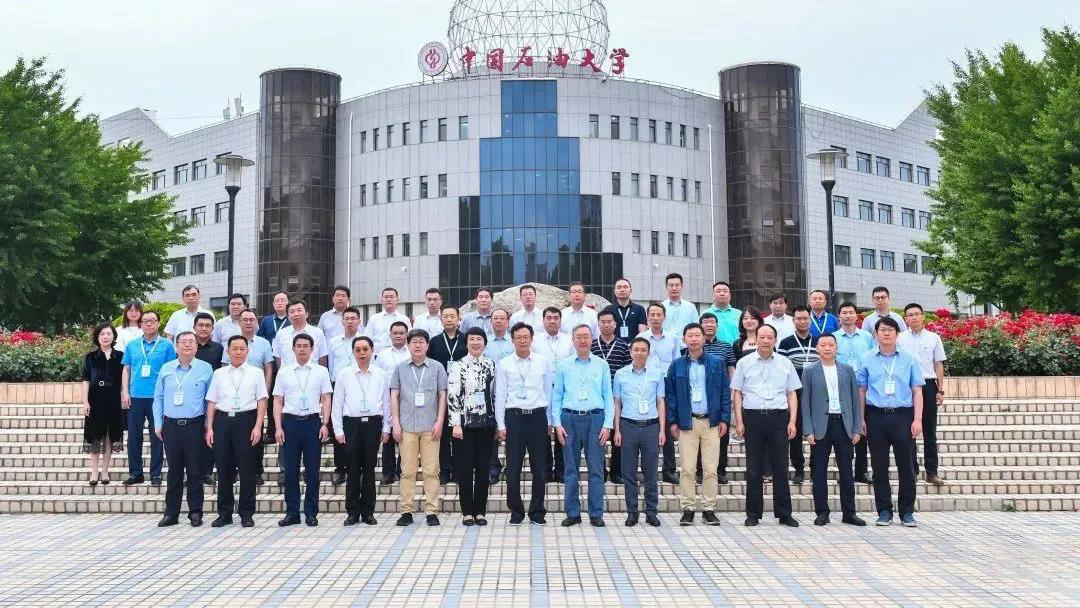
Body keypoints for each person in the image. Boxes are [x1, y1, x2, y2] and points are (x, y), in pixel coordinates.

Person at [731, 324, 802, 528]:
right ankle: (753, 513)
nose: (765, 341)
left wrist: (792, 421)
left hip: (778, 418)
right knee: (753, 468)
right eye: (762, 337)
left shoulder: (785, 363)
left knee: (780, 467)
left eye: (769, 337)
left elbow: (792, 393)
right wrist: (739, 421)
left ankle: (784, 513)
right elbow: (737, 393)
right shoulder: (744, 362)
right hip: (753, 417)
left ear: (775, 340)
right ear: (756, 339)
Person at [858, 316, 924, 527]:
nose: (886, 333)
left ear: (897, 334)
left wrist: (917, 419)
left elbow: (917, 391)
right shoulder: (867, 358)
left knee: (907, 467)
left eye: (890, 330)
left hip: (903, 416)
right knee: (879, 467)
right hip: (875, 416)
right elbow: (862, 390)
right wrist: (861, 418)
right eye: (882, 330)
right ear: (875, 334)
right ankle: (884, 511)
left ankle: (907, 512)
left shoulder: (909, 359)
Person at [666, 323, 731, 526]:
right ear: (684, 339)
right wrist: (673, 421)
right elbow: (671, 395)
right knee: (687, 469)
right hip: (687, 422)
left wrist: (724, 418)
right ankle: (688, 508)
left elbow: (725, 392)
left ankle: (709, 509)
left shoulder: (717, 363)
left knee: (711, 469)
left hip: (711, 422)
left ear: (704, 339)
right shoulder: (676, 365)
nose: (693, 339)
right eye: (690, 336)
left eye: (697, 335)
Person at [801, 334, 865, 526]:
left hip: (843, 424)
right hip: (821, 425)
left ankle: (849, 513)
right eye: (823, 345)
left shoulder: (847, 370)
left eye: (831, 344)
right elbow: (805, 402)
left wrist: (856, 428)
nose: (827, 348)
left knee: (846, 471)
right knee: (819, 471)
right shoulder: (809, 371)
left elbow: (855, 400)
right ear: (817, 348)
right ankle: (822, 512)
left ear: (836, 347)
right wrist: (808, 430)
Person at [553, 325, 614, 527]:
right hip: (569, 419)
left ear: (591, 339)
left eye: (586, 336)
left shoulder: (602, 364)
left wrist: (607, 425)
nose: (582, 340)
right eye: (578, 336)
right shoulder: (564, 365)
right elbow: (557, 395)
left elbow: (608, 395)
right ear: (573, 340)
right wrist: (557, 424)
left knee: (596, 468)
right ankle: (573, 513)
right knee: (570, 469)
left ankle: (596, 513)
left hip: (595, 419)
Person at [205, 335, 268, 528]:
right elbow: (212, 401)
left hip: (246, 421)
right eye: (235, 348)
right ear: (228, 351)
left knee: (247, 470)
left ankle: (246, 513)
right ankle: (224, 514)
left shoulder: (256, 373)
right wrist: (209, 427)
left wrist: (258, 426)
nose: (238, 352)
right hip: (222, 421)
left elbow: (262, 401)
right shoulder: (219, 373)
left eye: (242, 349)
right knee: (224, 469)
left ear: (247, 351)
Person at [495, 322, 554, 526]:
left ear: (531, 339)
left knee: (539, 468)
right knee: (513, 468)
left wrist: (549, 419)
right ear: (512, 340)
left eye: (525, 337)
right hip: (514, 418)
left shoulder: (542, 362)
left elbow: (548, 392)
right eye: (518, 337)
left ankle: (537, 511)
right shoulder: (504, 364)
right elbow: (500, 395)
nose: (522, 340)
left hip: (537, 417)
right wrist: (500, 424)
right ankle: (516, 511)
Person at [153, 331, 213, 527]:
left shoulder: (205, 369)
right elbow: (158, 398)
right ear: (176, 346)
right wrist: (158, 423)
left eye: (191, 342)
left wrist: (208, 425)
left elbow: (210, 400)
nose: (187, 345)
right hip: (170, 425)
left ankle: (195, 512)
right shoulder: (166, 368)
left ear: (196, 346)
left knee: (195, 470)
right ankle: (171, 513)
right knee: (174, 470)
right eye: (183, 342)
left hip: (195, 425)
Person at [273, 333, 333, 527]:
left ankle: (311, 512)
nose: (302, 349)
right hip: (290, 423)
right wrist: (278, 427)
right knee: (290, 471)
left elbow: (326, 398)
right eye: (298, 346)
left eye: (306, 346)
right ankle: (292, 513)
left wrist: (325, 423)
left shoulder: (321, 371)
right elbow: (278, 400)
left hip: (312, 423)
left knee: (312, 470)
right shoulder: (284, 372)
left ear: (312, 349)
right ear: (293, 349)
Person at [389, 329, 448, 527]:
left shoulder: (437, 367)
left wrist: (440, 421)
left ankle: (432, 511)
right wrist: (395, 423)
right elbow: (394, 396)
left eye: (421, 341)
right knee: (407, 471)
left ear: (427, 345)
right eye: (414, 342)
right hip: (407, 426)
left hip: (431, 427)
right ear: (408, 345)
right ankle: (406, 511)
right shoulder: (400, 368)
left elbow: (442, 395)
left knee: (432, 471)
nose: (417, 345)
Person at [333, 336, 391, 527]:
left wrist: (386, 427)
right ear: (353, 352)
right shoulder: (344, 374)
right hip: (351, 425)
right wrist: (338, 429)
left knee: (369, 469)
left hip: (373, 424)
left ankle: (368, 512)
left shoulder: (380, 374)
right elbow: (337, 403)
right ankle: (352, 512)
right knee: (352, 469)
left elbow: (386, 403)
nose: (362, 353)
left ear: (372, 351)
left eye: (365, 349)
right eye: (358, 350)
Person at [613, 337, 666, 527]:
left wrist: (662, 429)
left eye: (643, 350)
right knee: (629, 473)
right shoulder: (620, 374)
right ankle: (632, 512)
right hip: (628, 426)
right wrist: (617, 430)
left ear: (648, 353)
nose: (639, 353)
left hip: (651, 426)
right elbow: (617, 403)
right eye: (636, 349)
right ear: (630, 351)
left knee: (650, 473)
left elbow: (660, 402)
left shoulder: (657, 374)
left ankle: (651, 512)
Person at [447, 328, 497, 526]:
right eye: (472, 339)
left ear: (485, 342)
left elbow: (494, 395)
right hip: (464, 426)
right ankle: (467, 511)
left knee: (483, 469)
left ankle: (480, 511)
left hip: (486, 424)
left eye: (479, 339)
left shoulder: (491, 364)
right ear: (466, 343)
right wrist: (455, 424)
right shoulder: (458, 366)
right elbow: (453, 396)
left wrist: (496, 422)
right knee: (465, 469)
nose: (476, 342)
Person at [120, 310, 176, 486]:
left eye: (153, 321)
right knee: (133, 438)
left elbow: (171, 371)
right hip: (135, 397)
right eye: (146, 321)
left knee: (157, 436)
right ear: (141, 324)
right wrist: (125, 392)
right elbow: (126, 369)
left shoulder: (167, 345)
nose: (149, 324)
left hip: (157, 398)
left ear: (158, 323)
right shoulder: (132, 344)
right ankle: (136, 473)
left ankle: (155, 474)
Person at [899, 303, 947, 486]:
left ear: (923, 316)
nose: (913, 317)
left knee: (929, 431)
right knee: (908, 430)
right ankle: (912, 470)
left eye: (917, 314)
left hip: (928, 385)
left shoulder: (933, 338)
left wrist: (940, 390)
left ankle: (932, 472)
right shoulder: (900, 338)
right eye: (910, 315)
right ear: (905, 318)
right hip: (906, 386)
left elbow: (938, 364)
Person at [228, 309, 275, 486]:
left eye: (251, 320)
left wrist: (265, 392)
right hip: (235, 397)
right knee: (233, 437)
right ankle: (234, 470)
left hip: (256, 396)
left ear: (256, 323)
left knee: (256, 434)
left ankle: (256, 471)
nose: (248, 323)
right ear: (239, 322)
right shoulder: (231, 342)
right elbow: (225, 368)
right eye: (245, 319)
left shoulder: (263, 343)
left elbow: (268, 369)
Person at [690, 312, 736, 485]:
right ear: (700, 326)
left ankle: (720, 470)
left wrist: (732, 391)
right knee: (699, 436)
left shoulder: (726, 347)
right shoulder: (692, 348)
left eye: (712, 322)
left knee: (721, 435)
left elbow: (731, 369)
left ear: (717, 325)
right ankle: (700, 471)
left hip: (719, 395)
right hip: (699, 399)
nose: (709, 325)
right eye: (705, 322)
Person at [776, 305, 820, 485]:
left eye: (805, 318)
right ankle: (799, 469)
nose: (802, 322)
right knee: (795, 432)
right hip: (795, 394)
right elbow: (781, 371)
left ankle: (816, 469)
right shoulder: (785, 343)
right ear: (793, 320)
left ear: (810, 320)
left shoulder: (819, 341)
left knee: (818, 432)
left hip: (816, 394)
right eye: (798, 318)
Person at [834, 301, 876, 484]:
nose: (848, 316)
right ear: (839, 316)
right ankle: (845, 472)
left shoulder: (866, 337)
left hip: (863, 389)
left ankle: (861, 471)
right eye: (844, 312)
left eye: (851, 312)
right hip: (840, 389)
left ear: (856, 315)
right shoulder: (834, 337)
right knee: (843, 431)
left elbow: (874, 359)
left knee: (862, 430)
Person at [428, 306, 468, 485]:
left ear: (459, 319)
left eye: (453, 316)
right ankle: (444, 470)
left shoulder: (467, 339)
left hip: (462, 394)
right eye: (446, 316)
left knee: (460, 433)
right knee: (443, 433)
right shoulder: (434, 342)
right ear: (441, 320)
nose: (449, 319)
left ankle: (459, 470)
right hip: (441, 393)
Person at [81, 323, 124, 486]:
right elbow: (85, 380)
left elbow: (124, 379)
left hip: (113, 400)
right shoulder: (90, 357)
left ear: (113, 336)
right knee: (94, 436)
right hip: (95, 399)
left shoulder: (120, 356)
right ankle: (94, 471)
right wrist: (85, 401)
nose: (105, 337)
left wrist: (124, 395)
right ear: (97, 337)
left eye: (108, 334)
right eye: (102, 334)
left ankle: (105, 470)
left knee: (109, 437)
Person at [643, 302, 681, 484]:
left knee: (666, 427)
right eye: (652, 314)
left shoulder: (673, 338)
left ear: (664, 317)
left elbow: (676, 364)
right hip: (647, 383)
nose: (655, 318)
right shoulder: (641, 338)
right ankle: (646, 470)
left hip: (667, 383)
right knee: (647, 426)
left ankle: (669, 469)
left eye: (659, 314)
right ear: (647, 317)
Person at [591, 310, 631, 484]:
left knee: (617, 434)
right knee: (598, 435)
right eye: (603, 322)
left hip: (618, 397)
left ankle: (617, 472)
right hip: (596, 396)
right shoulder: (592, 345)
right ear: (598, 324)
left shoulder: (623, 346)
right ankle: (600, 470)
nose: (606, 325)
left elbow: (628, 371)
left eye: (609, 322)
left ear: (615, 324)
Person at [326, 306, 364, 486]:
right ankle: (340, 469)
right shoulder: (334, 342)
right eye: (347, 318)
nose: (350, 322)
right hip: (338, 386)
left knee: (358, 429)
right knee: (338, 428)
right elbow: (331, 367)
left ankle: (359, 468)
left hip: (360, 385)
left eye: (353, 318)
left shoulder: (365, 341)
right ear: (342, 321)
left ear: (359, 321)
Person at [531, 306, 570, 482]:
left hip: (564, 391)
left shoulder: (569, 340)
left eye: (556, 318)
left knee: (563, 429)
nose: (552, 321)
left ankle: (562, 471)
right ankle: (545, 471)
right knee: (543, 431)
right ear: (543, 320)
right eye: (549, 318)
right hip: (542, 390)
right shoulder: (535, 341)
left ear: (561, 320)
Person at [374, 321, 410, 485]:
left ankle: (402, 470)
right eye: (395, 333)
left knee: (405, 434)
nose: (398, 336)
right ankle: (388, 473)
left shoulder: (411, 352)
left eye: (401, 333)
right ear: (390, 335)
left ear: (406, 334)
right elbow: (377, 377)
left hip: (408, 396)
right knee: (387, 433)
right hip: (387, 396)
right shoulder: (382, 355)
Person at [193, 312, 224, 486]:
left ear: (212, 328)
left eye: (207, 326)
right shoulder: (189, 345)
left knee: (210, 434)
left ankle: (207, 472)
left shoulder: (219, 348)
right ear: (194, 327)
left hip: (213, 398)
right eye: (200, 325)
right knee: (193, 437)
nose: (204, 328)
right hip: (192, 398)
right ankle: (193, 473)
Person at [484, 308, 514, 484]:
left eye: (502, 318)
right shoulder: (484, 342)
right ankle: (493, 468)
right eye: (495, 318)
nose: (499, 321)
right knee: (491, 432)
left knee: (511, 430)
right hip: (488, 392)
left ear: (508, 321)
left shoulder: (514, 342)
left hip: (510, 393)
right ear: (491, 321)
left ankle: (511, 467)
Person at [273, 300, 328, 368]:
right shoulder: (281, 334)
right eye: (292, 311)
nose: (296, 314)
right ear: (288, 317)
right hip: (288, 374)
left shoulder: (318, 333)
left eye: (299, 310)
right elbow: (278, 359)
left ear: (306, 314)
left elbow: (323, 358)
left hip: (312, 373)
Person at [363, 287, 411, 354]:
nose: (388, 299)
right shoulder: (373, 318)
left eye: (391, 297)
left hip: (400, 355)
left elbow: (409, 340)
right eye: (386, 297)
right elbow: (367, 339)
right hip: (377, 356)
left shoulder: (404, 319)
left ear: (397, 300)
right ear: (381, 300)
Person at [661, 273, 699, 341]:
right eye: (671, 285)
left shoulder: (691, 307)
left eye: (677, 285)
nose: (674, 288)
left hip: (685, 345)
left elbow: (696, 328)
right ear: (666, 287)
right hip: (664, 344)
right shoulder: (660, 307)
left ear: (682, 286)